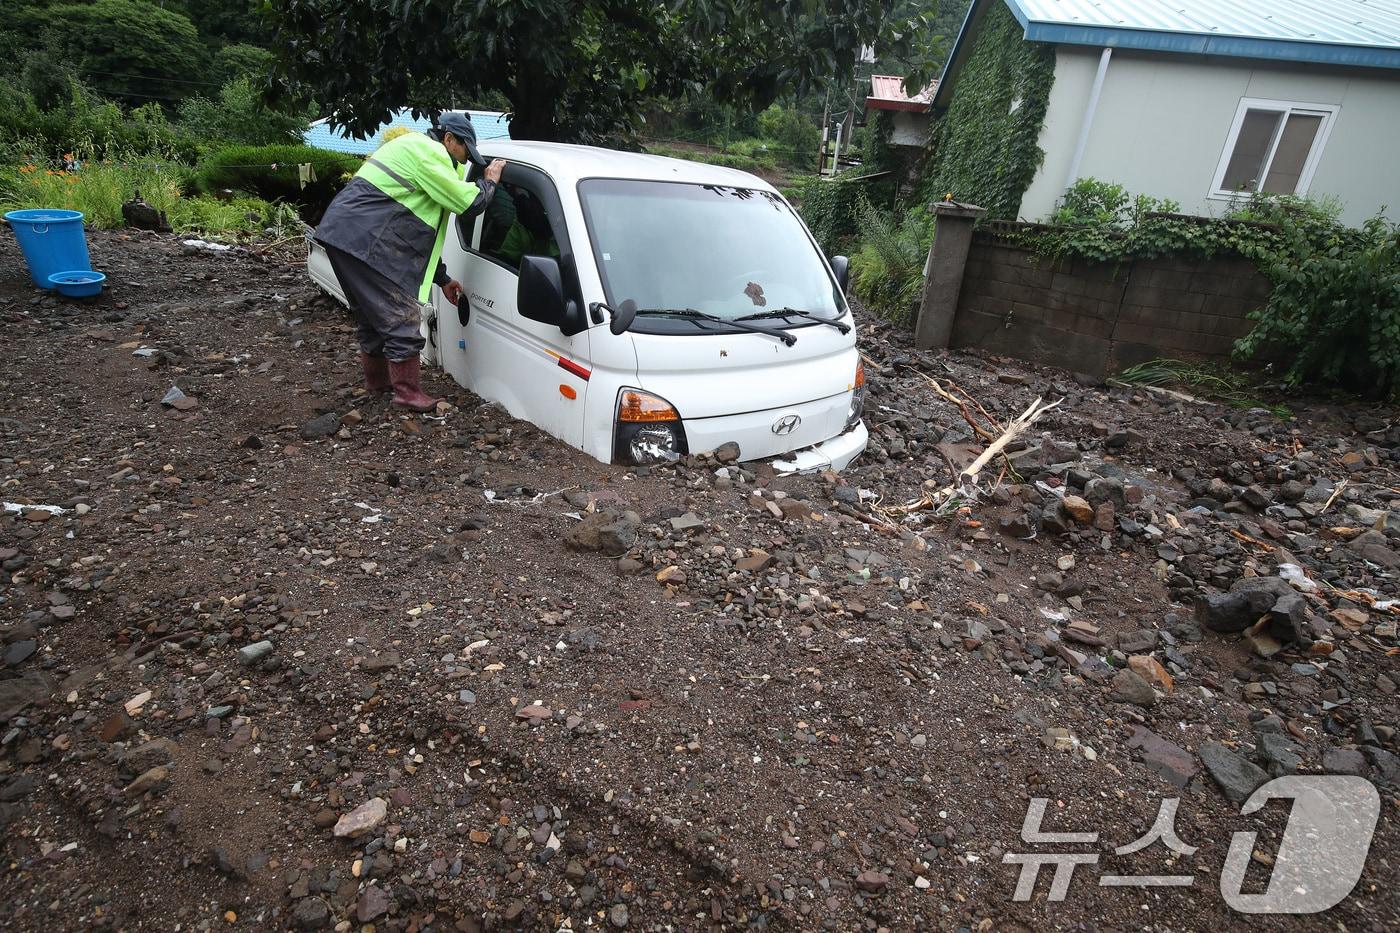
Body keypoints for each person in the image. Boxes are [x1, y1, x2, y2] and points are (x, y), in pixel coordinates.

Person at [316, 112, 505, 410]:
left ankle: (378, 386)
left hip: (347, 236)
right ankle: (406, 393)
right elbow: (469, 203)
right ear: (448, 139)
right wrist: (489, 182)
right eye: (464, 150)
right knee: (400, 316)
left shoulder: (414, 148)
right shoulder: (428, 153)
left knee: (372, 317)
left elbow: (420, 231)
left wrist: (441, 279)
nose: (465, 159)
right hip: (366, 242)